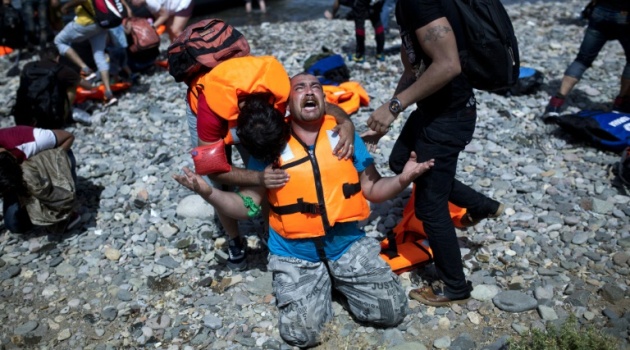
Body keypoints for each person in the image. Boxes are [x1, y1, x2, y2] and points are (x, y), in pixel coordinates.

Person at [174, 72, 433, 348]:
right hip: (295, 254)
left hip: (345, 244)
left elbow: (373, 188)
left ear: (323, 98)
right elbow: (246, 206)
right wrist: (209, 193)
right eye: (300, 87)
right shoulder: (271, 143)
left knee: (392, 312)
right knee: (303, 335)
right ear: (287, 101)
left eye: (316, 87)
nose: (309, 91)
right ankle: (321, 282)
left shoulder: (344, 134)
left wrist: (403, 180)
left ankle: (336, 279)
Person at [366, 0, 504, 307]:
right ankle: (483, 206)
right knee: (401, 161)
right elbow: (413, 69)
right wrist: (389, 116)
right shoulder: (406, 6)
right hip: (432, 111)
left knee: (431, 208)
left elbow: (448, 64)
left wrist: (393, 107)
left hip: (449, 119)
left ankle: (454, 286)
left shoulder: (422, 4)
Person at [184, 56, 356, 271]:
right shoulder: (209, 111)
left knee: (267, 173)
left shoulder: (280, 91)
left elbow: (322, 105)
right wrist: (256, 178)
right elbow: (212, 169)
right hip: (204, 101)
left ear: (281, 112)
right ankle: (234, 240)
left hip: (245, 87)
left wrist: (346, 121)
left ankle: (268, 229)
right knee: (219, 184)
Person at [543, 0, 630, 118]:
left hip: (600, 13)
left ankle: (555, 104)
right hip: (624, 16)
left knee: (582, 60)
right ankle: (620, 104)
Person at [0, 126, 79, 233]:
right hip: (14, 177)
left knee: (55, 197)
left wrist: (48, 162)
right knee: (14, 225)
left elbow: (68, 137)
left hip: (49, 162)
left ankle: (67, 210)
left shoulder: (30, 140)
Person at [54, 0, 132, 106]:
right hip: (101, 24)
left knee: (59, 41)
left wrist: (66, 7)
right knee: (99, 54)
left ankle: (86, 69)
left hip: (85, 23)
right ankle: (109, 93)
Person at [13, 45, 95, 127]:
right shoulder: (61, 69)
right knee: (72, 84)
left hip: (23, 118)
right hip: (49, 120)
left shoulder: (28, 67)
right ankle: (63, 117)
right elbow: (88, 86)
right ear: (58, 58)